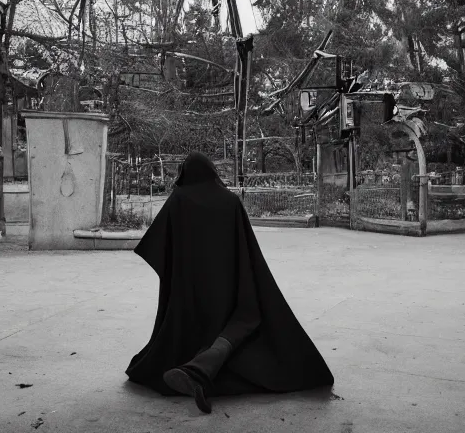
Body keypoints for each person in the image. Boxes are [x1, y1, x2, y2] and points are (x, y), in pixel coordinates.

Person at [126, 151, 334, 414]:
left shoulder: (179, 200)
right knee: (243, 320)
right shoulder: (231, 201)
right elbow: (246, 249)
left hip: (189, 292)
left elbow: (157, 245)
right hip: (229, 289)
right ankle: (203, 367)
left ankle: (198, 368)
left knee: (194, 331)